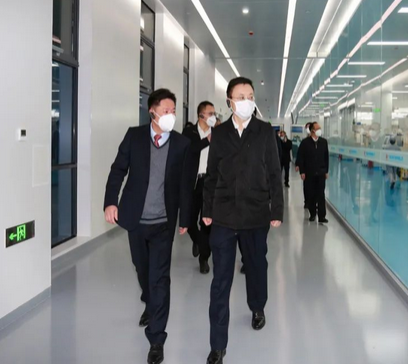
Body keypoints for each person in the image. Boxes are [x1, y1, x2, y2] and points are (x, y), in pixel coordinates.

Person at [103, 88, 192, 364]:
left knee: (160, 278)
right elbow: (118, 170)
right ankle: (150, 302)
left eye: (174, 111)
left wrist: (185, 219)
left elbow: (185, 185)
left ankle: (156, 339)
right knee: (143, 270)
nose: (171, 115)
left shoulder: (181, 144)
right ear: (152, 111)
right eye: (166, 110)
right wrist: (110, 202)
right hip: (136, 219)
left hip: (164, 222)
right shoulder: (134, 136)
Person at [202, 77, 284, 364]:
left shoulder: (264, 132)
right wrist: (207, 209)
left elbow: (274, 172)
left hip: (255, 214)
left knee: (257, 267)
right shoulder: (220, 133)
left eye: (250, 95)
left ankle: (257, 306)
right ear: (229, 101)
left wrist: (277, 210)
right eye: (241, 96)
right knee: (220, 281)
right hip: (224, 216)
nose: (247, 100)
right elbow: (211, 174)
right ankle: (217, 345)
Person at [182, 101, 216, 274]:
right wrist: (207, 141)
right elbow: (189, 150)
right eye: (210, 113)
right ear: (201, 115)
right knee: (188, 220)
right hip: (193, 183)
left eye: (214, 113)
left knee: (207, 222)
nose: (213, 116)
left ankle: (204, 258)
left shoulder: (218, 134)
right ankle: (197, 240)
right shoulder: (189, 132)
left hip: (210, 183)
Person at [296, 122, 329, 223]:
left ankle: (322, 216)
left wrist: (326, 171)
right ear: (312, 131)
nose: (320, 130)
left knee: (321, 194)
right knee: (311, 194)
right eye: (317, 128)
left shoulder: (323, 142)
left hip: (321, 172)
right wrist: (302, 171)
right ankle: (313, 213)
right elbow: (301, 157)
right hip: (309, 173)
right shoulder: (305, 143)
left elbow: (326, 157)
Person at [294, 122, 312, 208]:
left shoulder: (319, 141)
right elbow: (300, 154)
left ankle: (314, 202)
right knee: (307, 186)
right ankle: (307, 201)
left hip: (316, 169)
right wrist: (298, 165)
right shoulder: (304, 142)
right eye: (307, 128)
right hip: (306, 167)